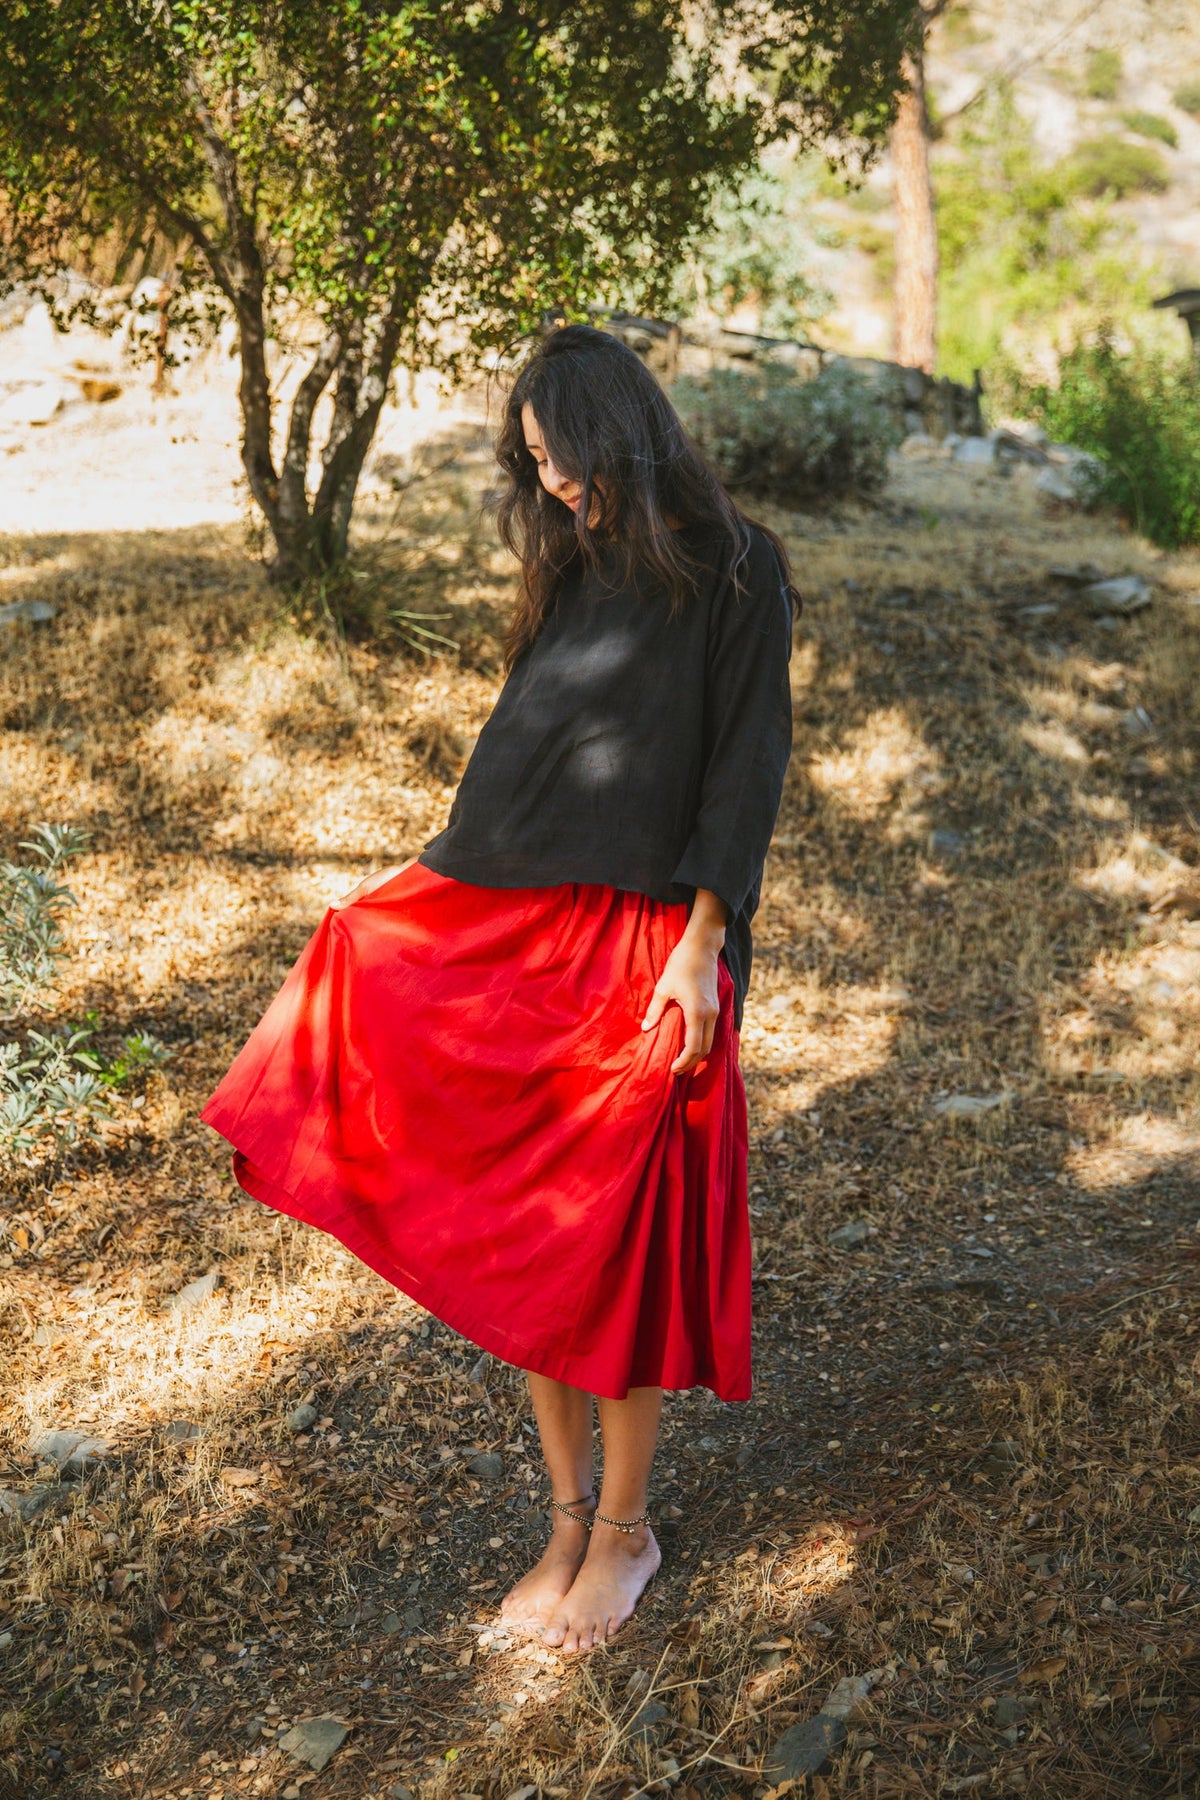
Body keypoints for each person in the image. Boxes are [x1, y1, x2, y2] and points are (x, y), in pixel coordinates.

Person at [202, 323, 796, 1655]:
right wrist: (421, 891)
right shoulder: (571, 565)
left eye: (563, 456)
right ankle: (567, 1521)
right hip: (528, 933)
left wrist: (704, 943)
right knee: (535, 1229)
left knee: (620, 1250)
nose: (555, 483)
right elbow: (515, 760)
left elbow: (746, 769)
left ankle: (627, 1533)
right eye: (534, 464)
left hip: (653, 944)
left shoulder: (738, 565)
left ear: (618, 430)